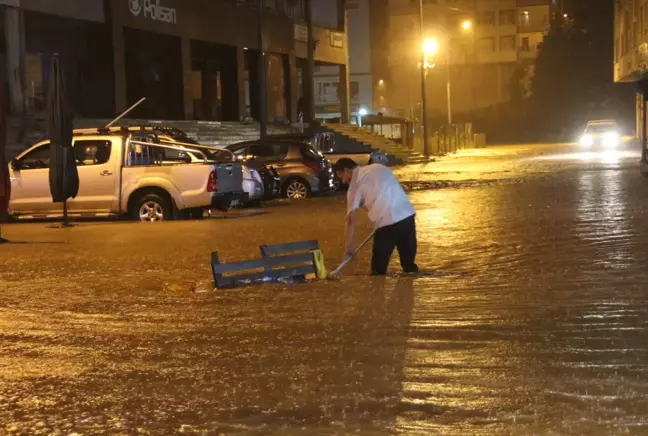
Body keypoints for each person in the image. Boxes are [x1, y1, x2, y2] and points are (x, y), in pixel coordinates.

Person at [333, 158, 419, 275]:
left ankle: (378, 291)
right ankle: (410, 292)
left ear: (347, 171)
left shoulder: (354, 188)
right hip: (407, 216)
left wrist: (349, 248)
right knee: (410, 268)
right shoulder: (378, 167)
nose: (343, 181)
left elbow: (351, 221)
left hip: (387, 224)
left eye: (341, 176)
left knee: (378, 272)